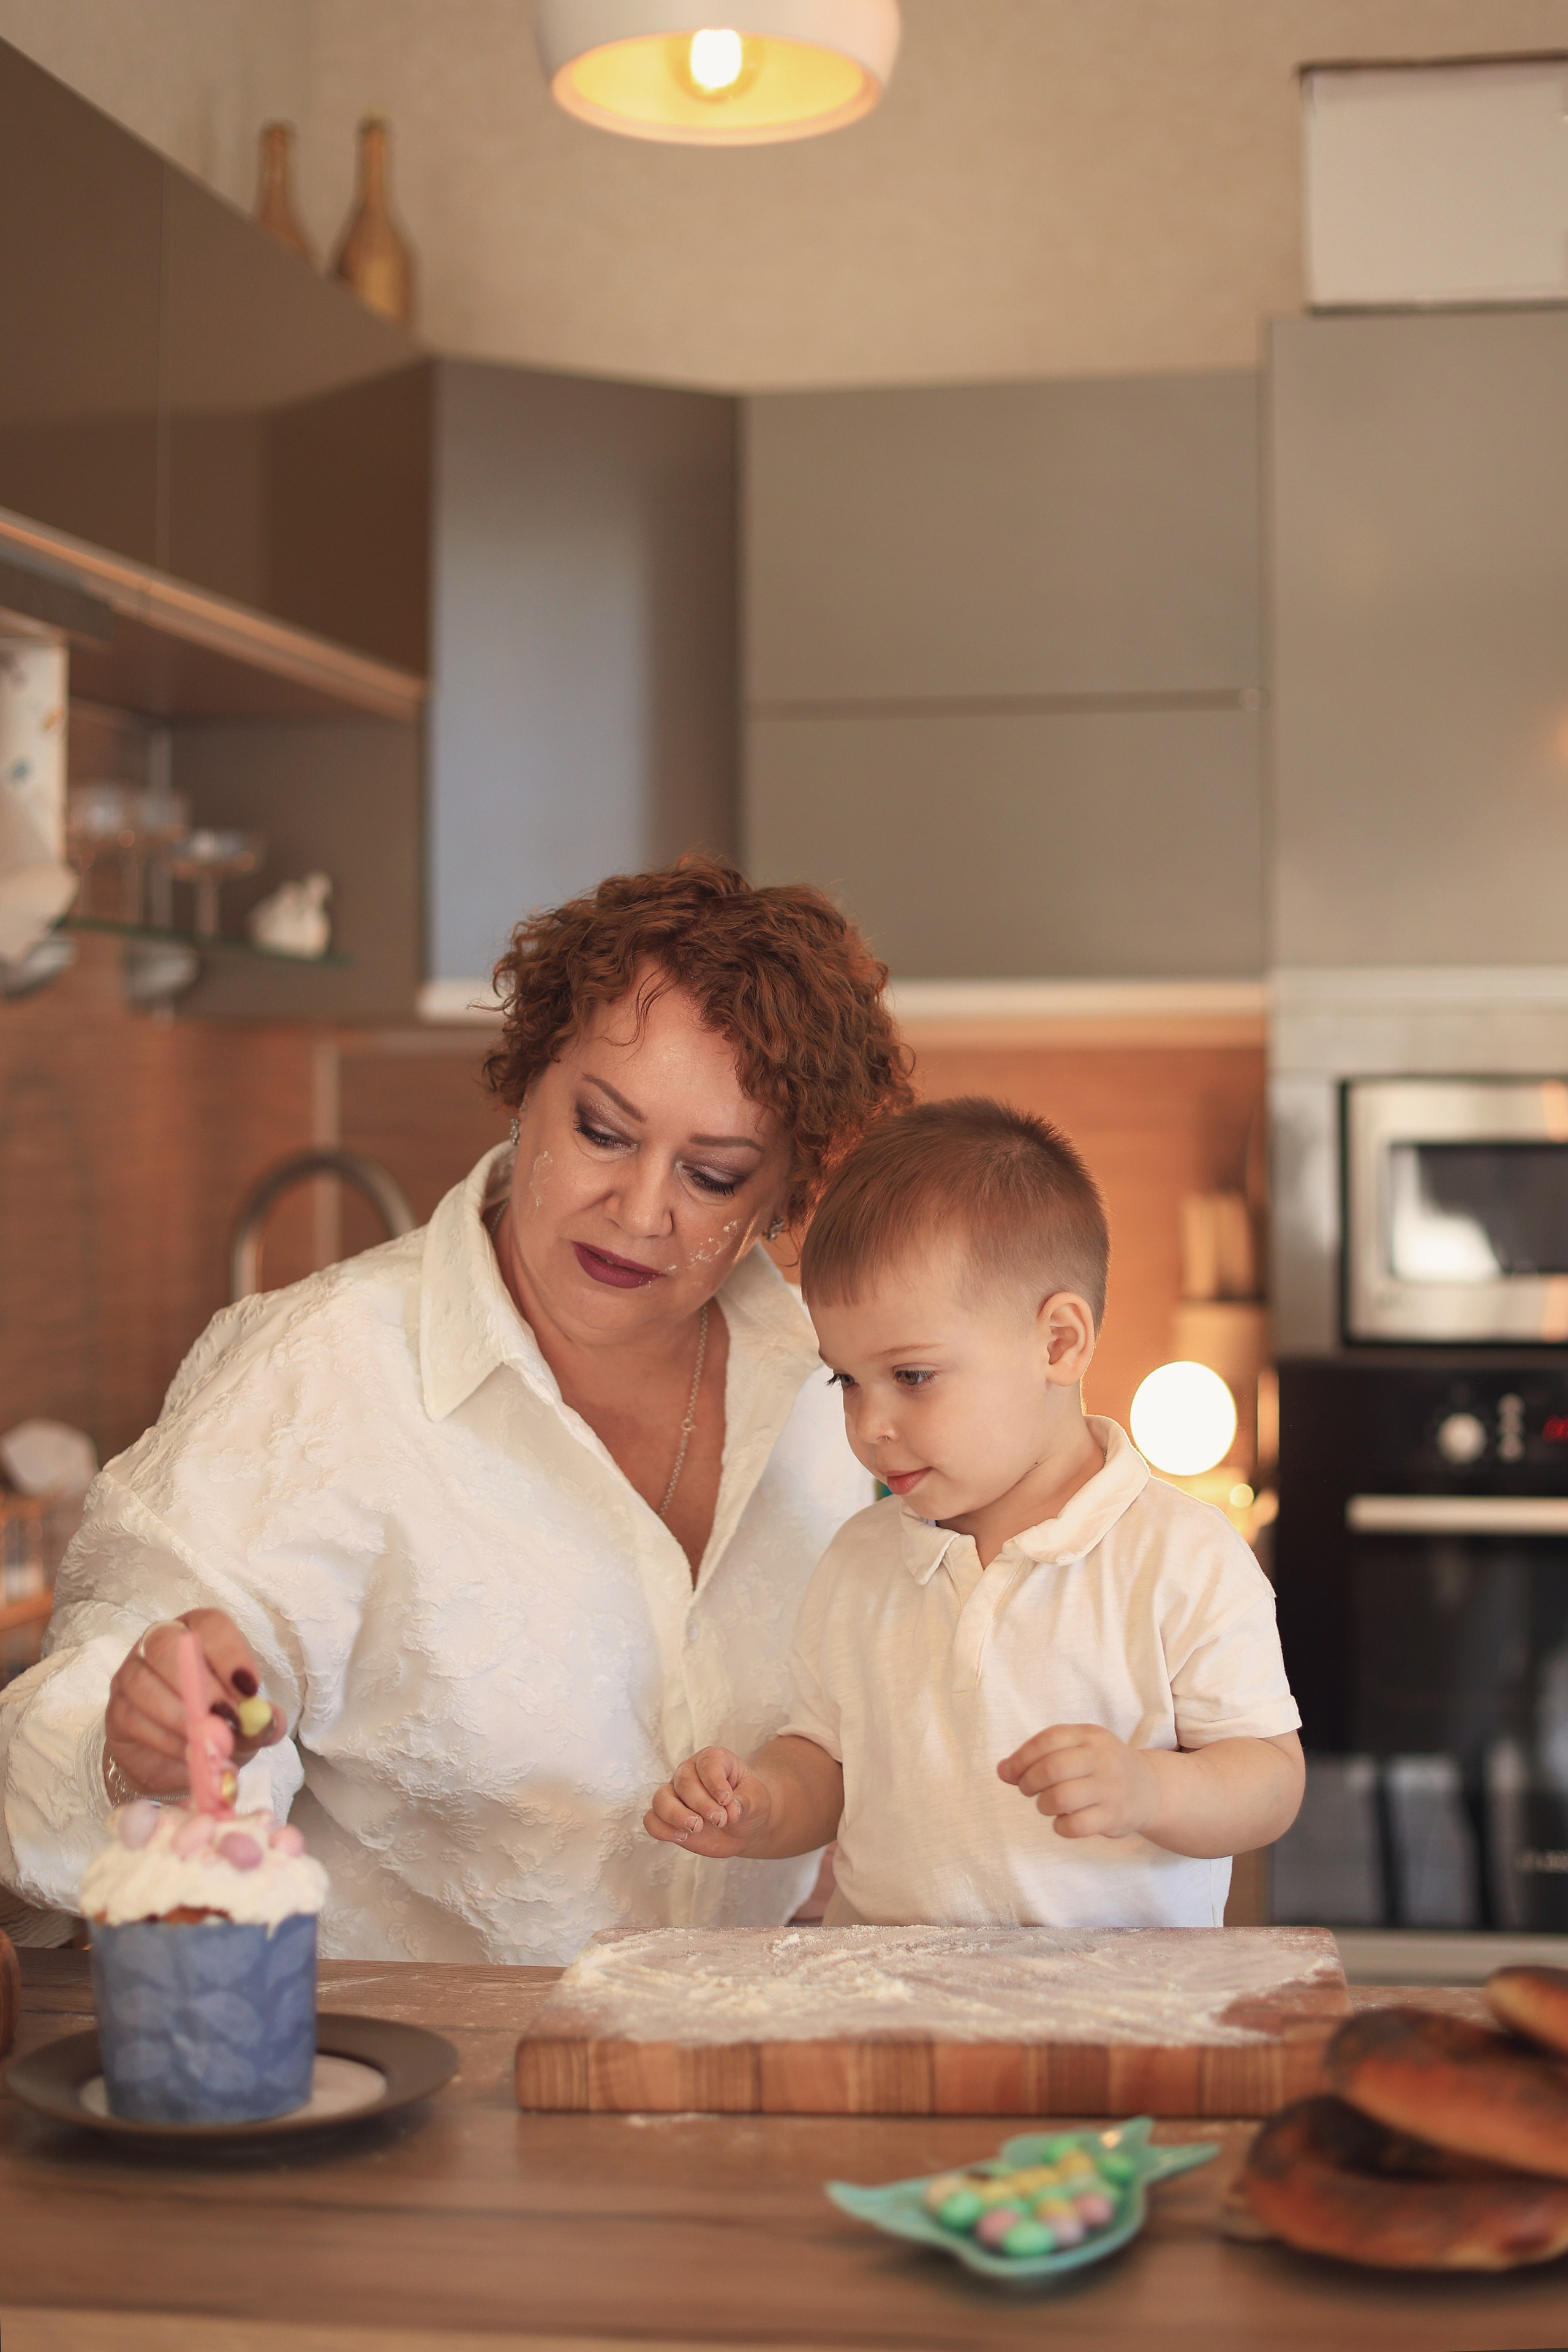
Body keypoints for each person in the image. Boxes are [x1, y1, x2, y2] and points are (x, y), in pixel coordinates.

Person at [0, 857, 913, 1961]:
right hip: (416, 2102)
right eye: (604, 1131)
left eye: (713, 1176)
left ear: (787, 1190)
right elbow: (77, 1730)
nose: (639, 1209)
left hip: (733, 2074)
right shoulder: (319, 1375)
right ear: (526, 1084)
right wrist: (129, 1744)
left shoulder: (838, 1378)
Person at [646, 1097, 1304, 1929]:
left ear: (1059, 1344)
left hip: (1115, 2018)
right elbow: (826, 1761)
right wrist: (762, 1806)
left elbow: (1272, 1779)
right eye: (847, 1380)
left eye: (912, 1376)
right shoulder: (860, 1560)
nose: (870, 1424)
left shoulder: (1182, 1556)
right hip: (889, 2006)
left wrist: (1152, 1787)